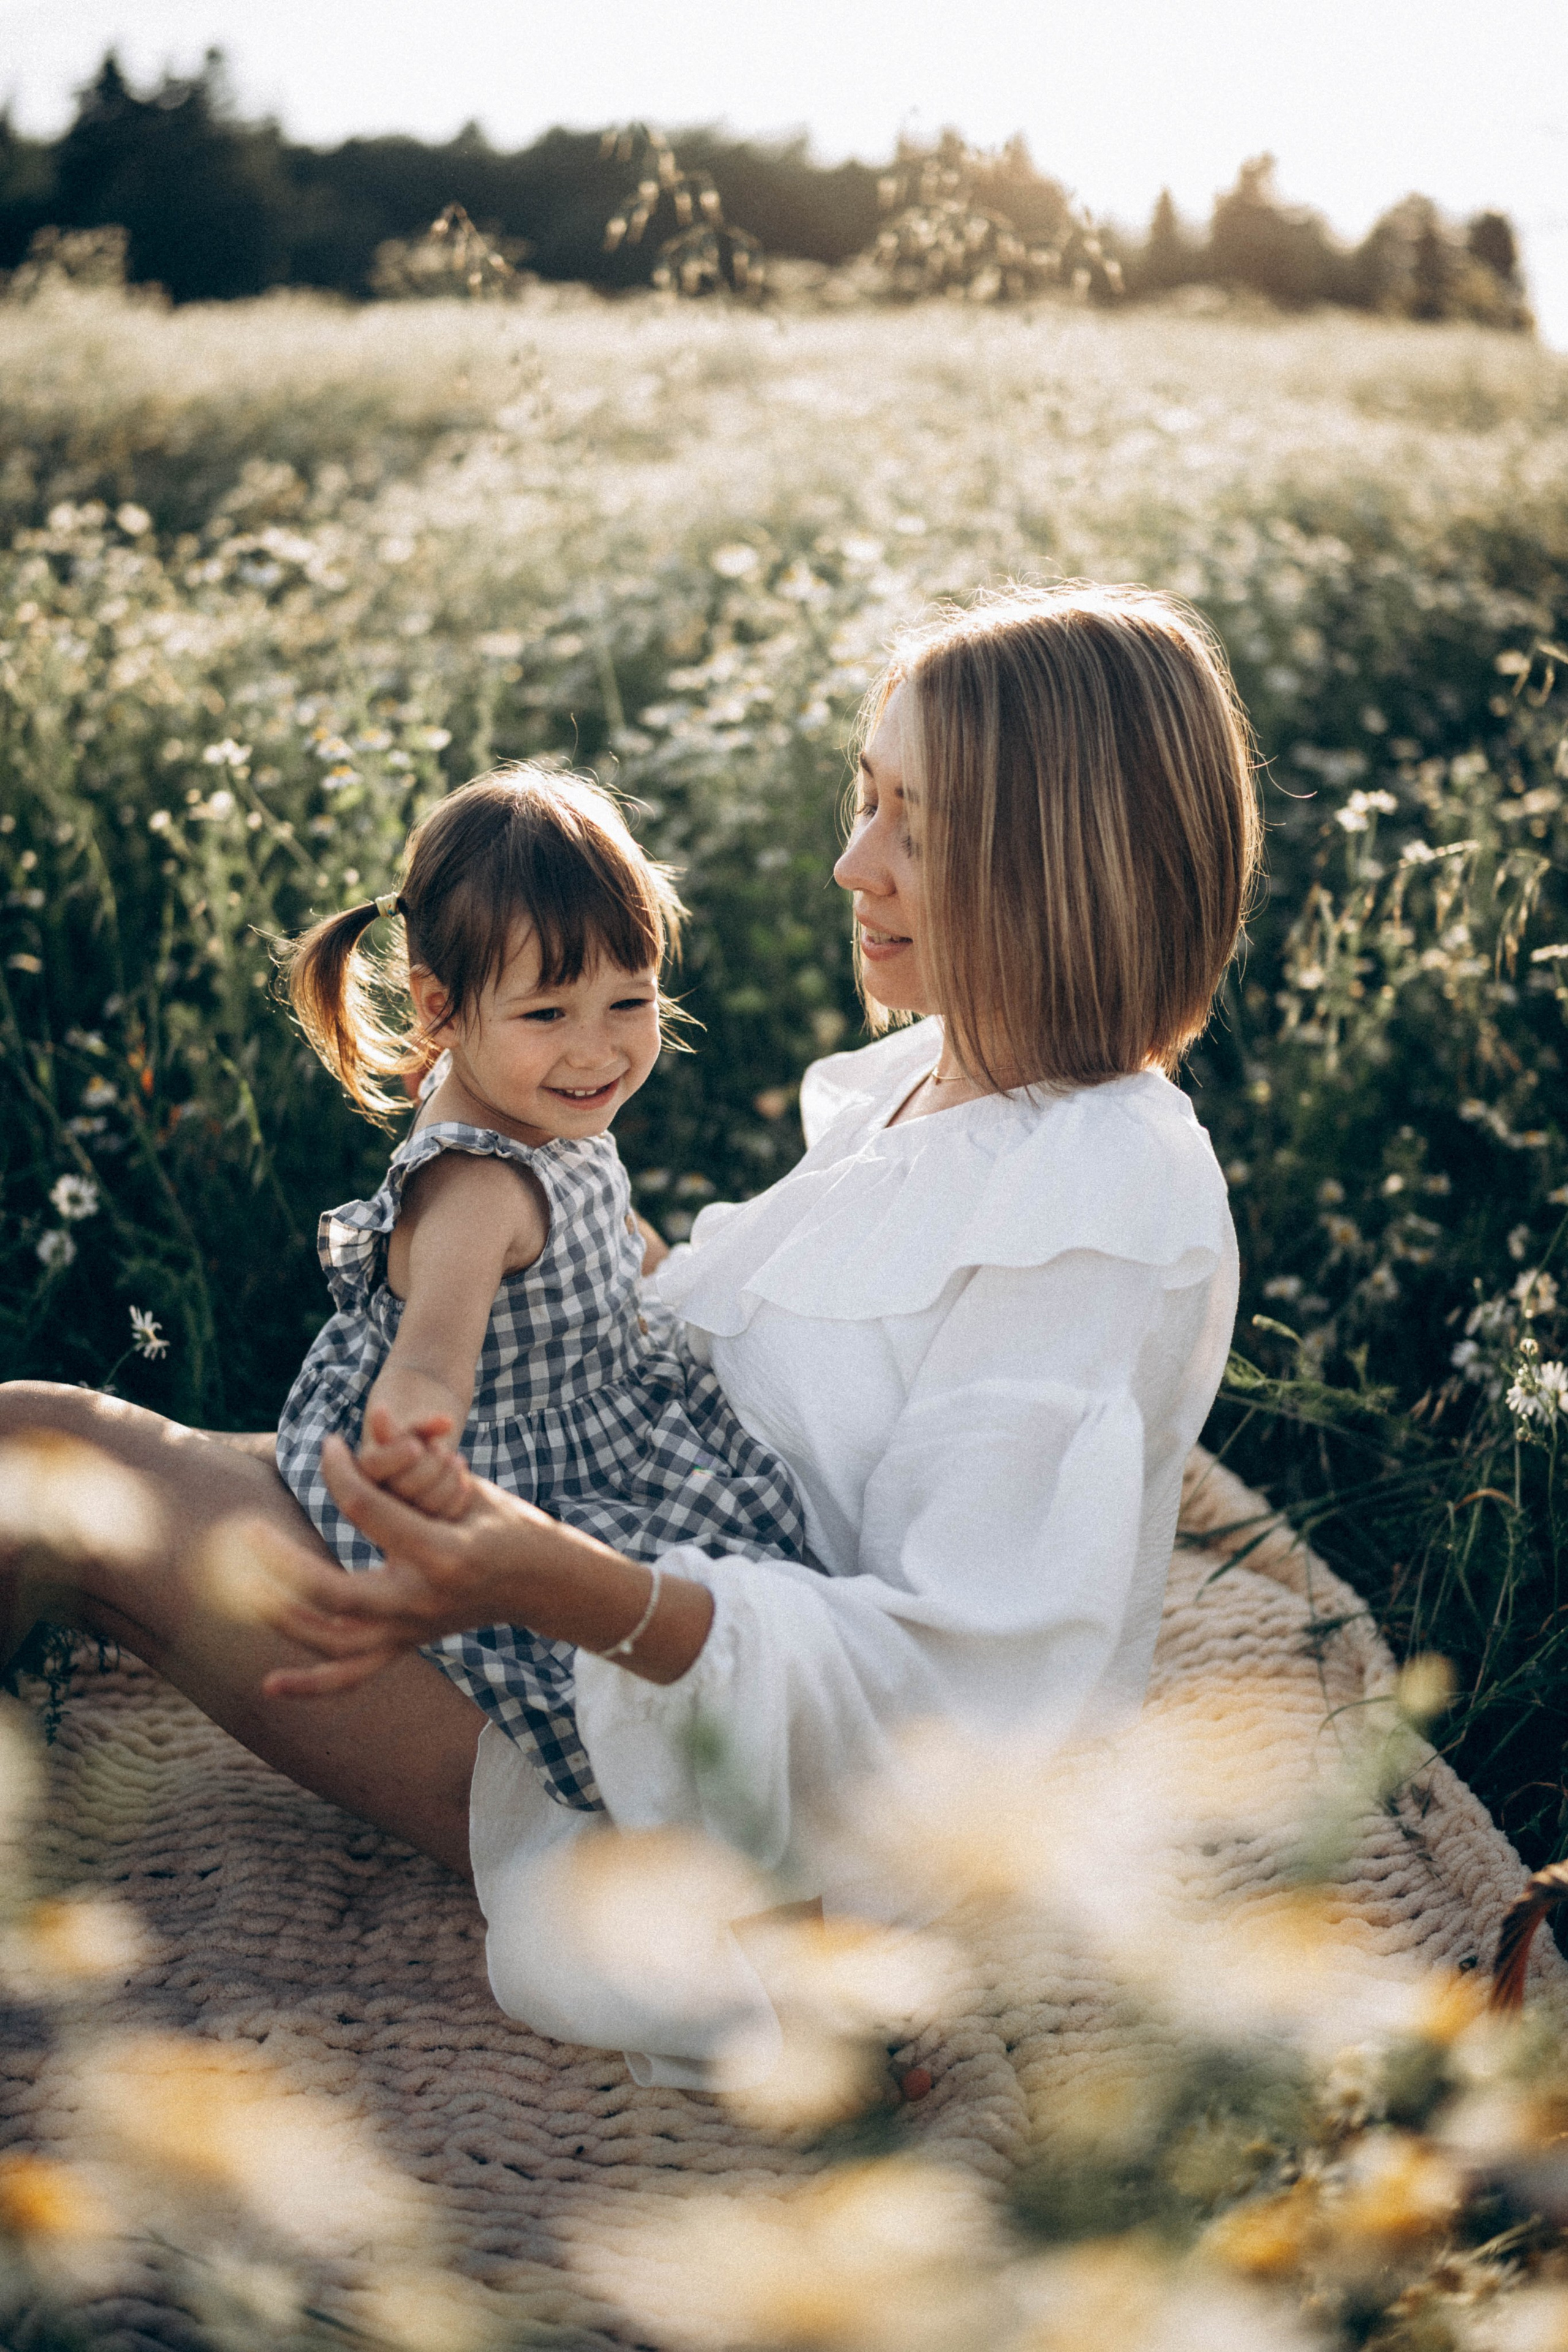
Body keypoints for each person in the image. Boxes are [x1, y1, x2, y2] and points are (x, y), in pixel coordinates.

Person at [0, 582, 1258, 2087]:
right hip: (609, 1549)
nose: (849, 860)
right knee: (56, 1451)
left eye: (912, 826)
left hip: (690, 1755)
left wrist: (554, 1578)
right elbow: (720, 1331)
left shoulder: (1099, 1204)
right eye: (864, 798)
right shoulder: (944, 1079)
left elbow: (953, 1704)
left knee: (39, 1463)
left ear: (1060, 863)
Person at [272, 770, 811, 1815]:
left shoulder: (522, 1098)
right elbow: (431, 1350)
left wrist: (658, 1274)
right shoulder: (478, 1189)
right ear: (441, 1007)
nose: (597, 1049)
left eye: (631, 1001)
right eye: (549, 1011)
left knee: (761, 1588)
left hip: (600, 1403)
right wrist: (415, 1439)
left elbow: (603, 1218)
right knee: (650, 1670)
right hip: (519, 1456)